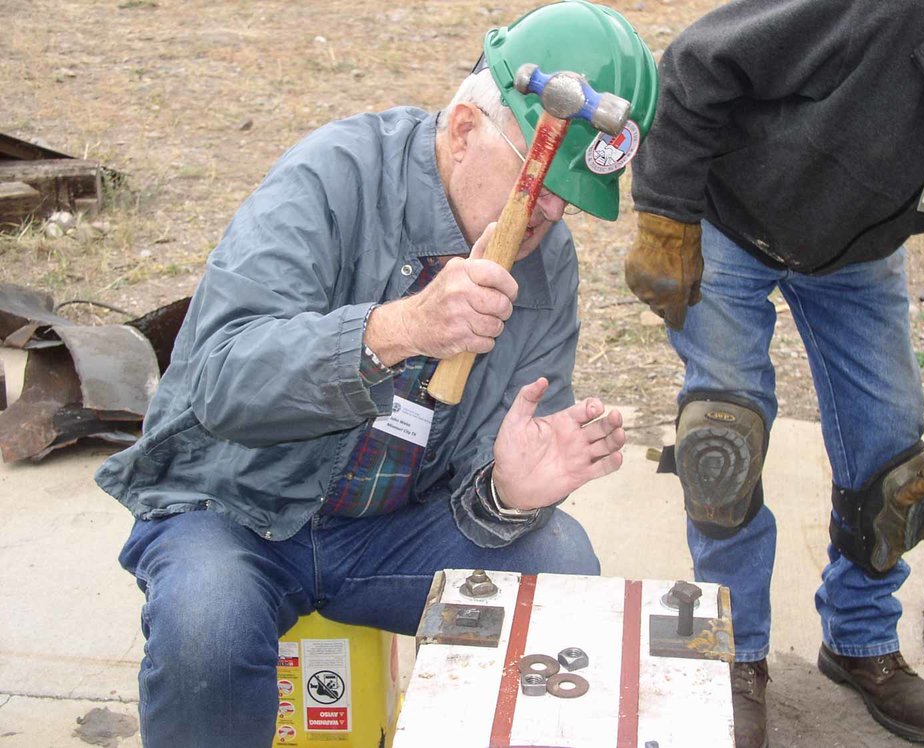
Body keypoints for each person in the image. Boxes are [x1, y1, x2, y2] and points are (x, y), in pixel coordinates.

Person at [94, 2, 658, 746]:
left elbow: (481, 488)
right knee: (208, 626)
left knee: (557, 563)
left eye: (566, 202)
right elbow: (222, 382)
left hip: (392, 535)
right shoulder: (335, 175)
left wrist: (507, 493)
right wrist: (399, 329)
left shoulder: (546, 270)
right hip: (235, 508)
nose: (550, 210)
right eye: (536, 183)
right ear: (463, 131)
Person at [627, 0, 924, 746]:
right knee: (720, 448)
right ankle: (736, 650)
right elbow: (700, 61)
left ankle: (860, 641)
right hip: (728, 217)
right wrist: (666, 217)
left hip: (855, 256)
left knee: (894, 458)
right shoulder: (906, 13)